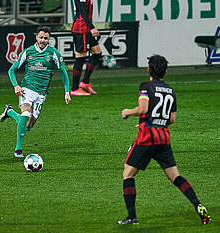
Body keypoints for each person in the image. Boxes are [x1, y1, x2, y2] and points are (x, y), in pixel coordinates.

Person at [118, 55, 211, 225]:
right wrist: (157, 122)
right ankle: (198, 205)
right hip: (163, 138)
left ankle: (131, 216)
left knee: (128, 174)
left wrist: (128, 112)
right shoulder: (170, 90)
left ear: (148, 69)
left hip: (147, 137)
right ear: (165, 71)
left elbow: (143, 108)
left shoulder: (145, 86)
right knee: (176, 177)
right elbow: (172, 119)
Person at [0, 26, 71, 158]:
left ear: (49, 39)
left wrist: (67, 92)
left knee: (28, 126)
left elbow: (63, 72)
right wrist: (16, 86)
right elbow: (11, 70)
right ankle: (18, 150)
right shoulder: (28, 52)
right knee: (25, 114)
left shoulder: (54, 53)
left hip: (42, 93)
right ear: (36, 37)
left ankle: (9, 112)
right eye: (41, 37)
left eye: (46, 38)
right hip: (27, 89)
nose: (43, 40)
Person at [70, 0, 102, 96]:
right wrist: (92, 27)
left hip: (86, 28)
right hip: (81, 29)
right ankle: (74, 88)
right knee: (80, 57)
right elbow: (82, 11)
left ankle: (85, 82)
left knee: (97, 52)